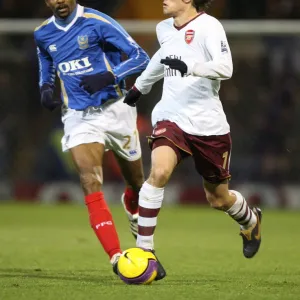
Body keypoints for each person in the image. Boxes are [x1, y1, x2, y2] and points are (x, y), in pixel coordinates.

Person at [123, 0, 262, 280]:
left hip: (208, 125)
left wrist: (192, 66)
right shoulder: (164, 28)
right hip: (171, 117)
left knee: (218, 199)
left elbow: (225, 68)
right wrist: (140, 86)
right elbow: (163, 58)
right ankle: (146, 253)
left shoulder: (210, 26)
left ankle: (251, 221)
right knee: (159, 172)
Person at [34, 0, 150, 274]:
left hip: (117, 111)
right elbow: (45, 58)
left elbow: (140, 56)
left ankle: (132, 205)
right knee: (89, 179)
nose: (60, 1)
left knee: (137, 183)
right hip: (78, 115)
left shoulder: (98, 22)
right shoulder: (42, 33)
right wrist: (46, 86)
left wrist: (109, 76)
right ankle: (116, 257)